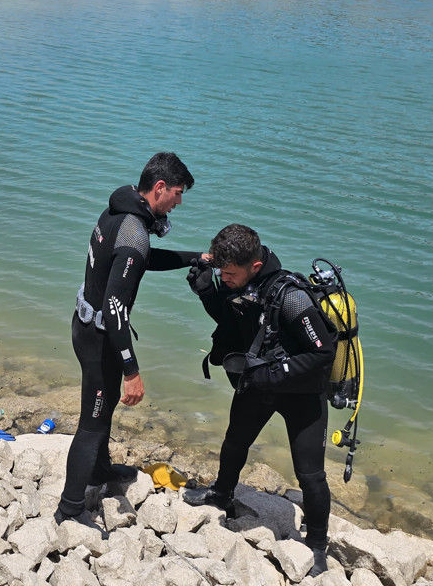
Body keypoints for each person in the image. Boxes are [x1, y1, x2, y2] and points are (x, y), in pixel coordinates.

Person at [55, 152, 202, 522]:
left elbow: (141, 258)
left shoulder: (120, 210)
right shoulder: (135, 231)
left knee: (101, 413)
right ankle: (68, 510)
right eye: (178, 194)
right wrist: (131, 370)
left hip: (84, 324)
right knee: (93, 421)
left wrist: (196, 257)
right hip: (101, 335)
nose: (179, 202)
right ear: (159, 188)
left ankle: (101, 470)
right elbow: (115, 306)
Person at [186, 224, 336, 576]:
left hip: (301, 393)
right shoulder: (241, 283)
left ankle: (316, 544)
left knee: (310, 474)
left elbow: (322, 353)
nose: (226, 278)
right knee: (234, 442)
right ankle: (220, 495)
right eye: (221, 272)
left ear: (255, 266)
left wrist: (275, 373)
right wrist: (208, 292)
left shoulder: (292, 297)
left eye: (230, 274)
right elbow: (235, 323)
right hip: (259, 385)